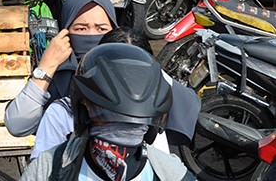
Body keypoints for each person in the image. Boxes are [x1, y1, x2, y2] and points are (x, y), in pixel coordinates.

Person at [21, 43, 195, 181]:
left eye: (135, 125)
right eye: (106, 117)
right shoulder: (51, 168)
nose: (123, 132)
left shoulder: (171, 174)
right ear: (84, 114)